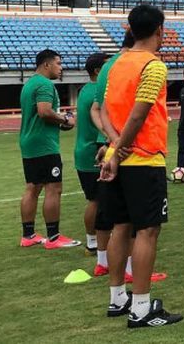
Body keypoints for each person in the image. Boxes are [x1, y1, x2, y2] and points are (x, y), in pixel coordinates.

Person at [99, 4, 183, 327]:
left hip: (116, 158)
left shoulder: (117, 64)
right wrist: (121, 150)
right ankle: (142, 307)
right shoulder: (154, 65)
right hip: (143, 159)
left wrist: (113, 149)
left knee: (121, 226)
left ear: (131, 30)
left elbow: (104, 111)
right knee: (147, 230)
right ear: (160, 30)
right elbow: (140, 113)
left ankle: (117, 298)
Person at [19, 49, 79, 250]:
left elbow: (39, 115)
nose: (61, 68)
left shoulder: (30, 84)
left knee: (33, 187)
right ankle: (53, 237)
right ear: (47, 64)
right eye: (58, 63)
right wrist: (66, 119)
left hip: (29, 142)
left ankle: (28, 235)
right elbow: (44, 112)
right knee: (54, 187)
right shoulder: (45, 84)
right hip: (44, 145)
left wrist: (59, 122)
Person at [75, 53, 112, 270]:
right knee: (98, 200)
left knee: (93, 199)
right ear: (98, 71)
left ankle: (92, 243)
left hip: (82, 152)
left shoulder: (84, 90)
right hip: (93, 152)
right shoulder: (99, 93)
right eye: (107, 67)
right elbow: (102, 130)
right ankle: (97, 246)